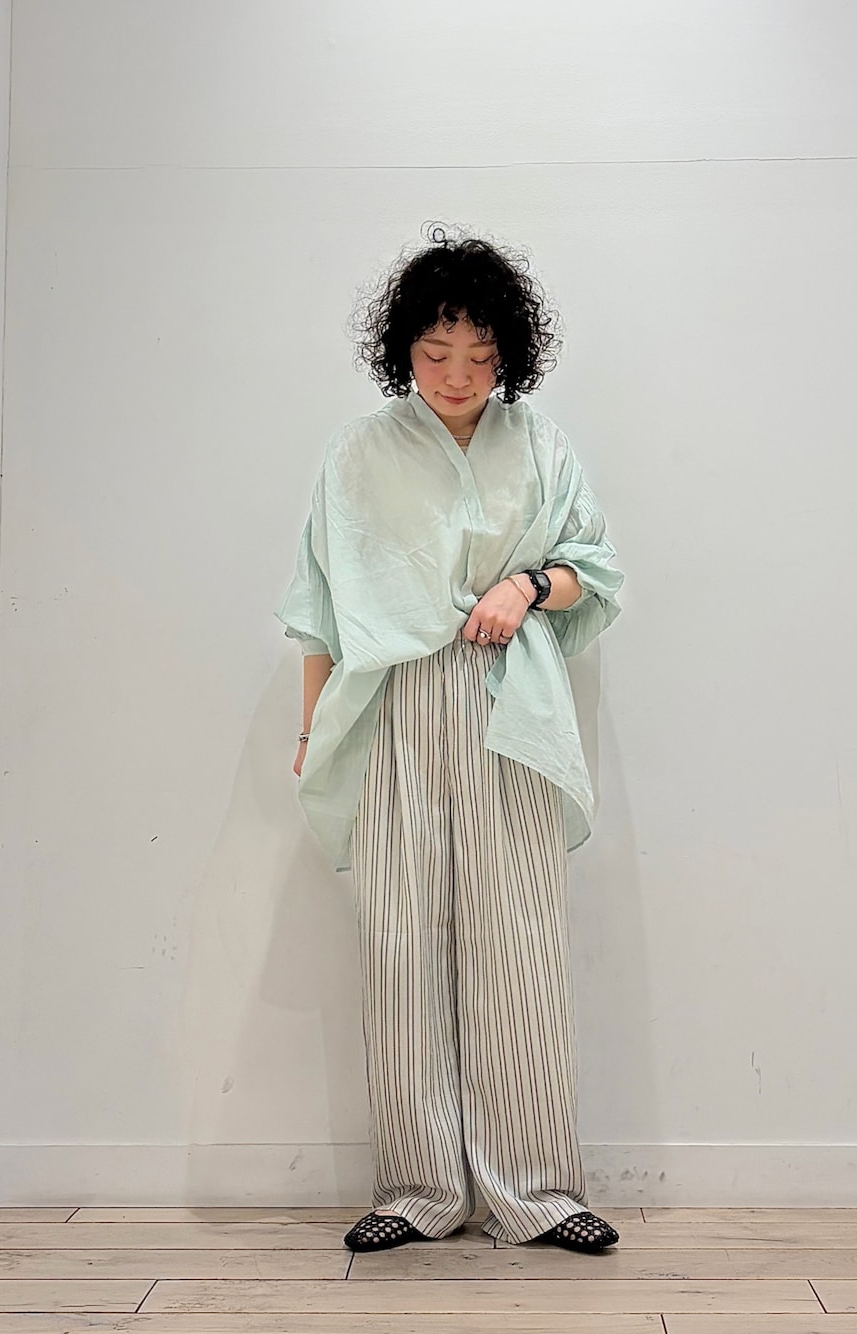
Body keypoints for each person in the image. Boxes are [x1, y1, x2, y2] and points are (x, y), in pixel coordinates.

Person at [274, 224, 624, 1255]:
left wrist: (527, 584)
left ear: (509, 350)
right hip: (394, 705)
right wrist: (312, 723)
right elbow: (320, 606)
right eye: (435, 354)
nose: (458, 375)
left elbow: (596, 571)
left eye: (479, 354)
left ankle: (538, 1193)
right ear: (404, 351)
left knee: (518, 941)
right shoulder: (358, 453)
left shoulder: (541, 445)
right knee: (402, 943)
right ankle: (418, 1188)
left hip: (513, 703)